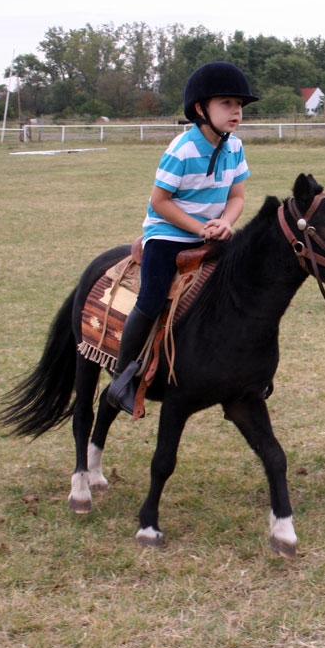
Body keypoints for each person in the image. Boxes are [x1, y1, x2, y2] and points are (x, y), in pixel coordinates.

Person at [105, 61, 259, 415]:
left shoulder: (235, 147)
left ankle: (247, 365)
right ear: (201, 109)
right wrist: (198, 227)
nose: (236, 111)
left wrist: (225, 222)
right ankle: (123, 378)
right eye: (226, 103)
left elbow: (236, 197)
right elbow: (160, 202)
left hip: (212, 232)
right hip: (169, 233)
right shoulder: (182, 149)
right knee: (153, 296)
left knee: (246, 284)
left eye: (239, 105)